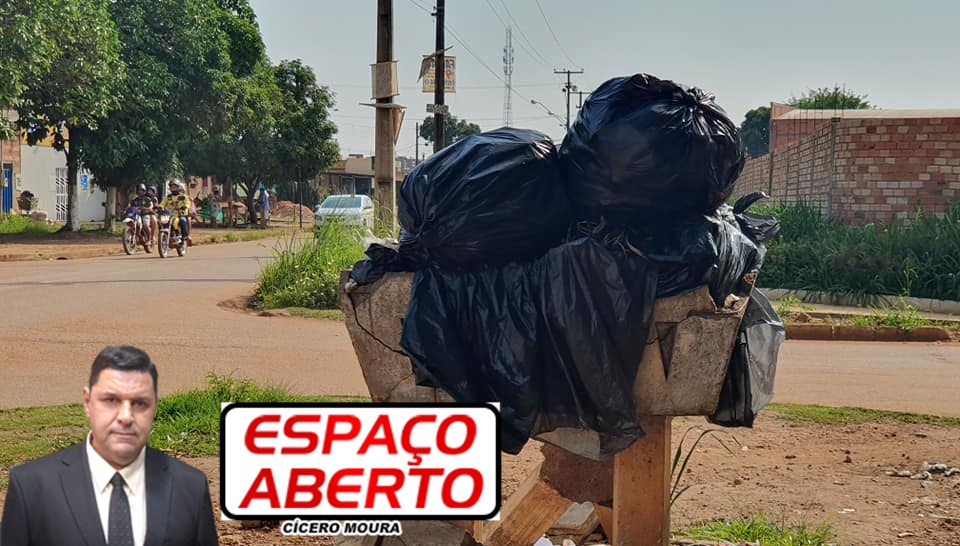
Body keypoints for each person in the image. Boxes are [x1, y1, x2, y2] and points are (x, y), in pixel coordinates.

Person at [1, 345, 218, 546]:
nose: (126, 416)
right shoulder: (31, 487)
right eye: (111, 400)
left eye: (140, 403)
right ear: (87, 402)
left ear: (154, 406)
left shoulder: (191, 487)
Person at [158, 179, 192, 245]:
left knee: (182, 220)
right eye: (171, 186)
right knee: (161, 221)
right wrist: (160, 207)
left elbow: (187, 203)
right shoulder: (168, 197)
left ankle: (184, 237)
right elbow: (162, 204)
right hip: (169, 215)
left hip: (180, 214)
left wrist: (185, 206)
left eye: (174, 186)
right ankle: (166, 236)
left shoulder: (183, 196)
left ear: (178, 187)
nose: (173, 188)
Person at [128, 183, 157, 251]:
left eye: (142, 190)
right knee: (131, 222)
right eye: (138, 190)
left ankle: (149, 239)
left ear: (144, 191)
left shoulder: (147, 199)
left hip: (145, 214)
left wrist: (146, 209)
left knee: (145, 224)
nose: (140, 192)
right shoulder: (134, 200)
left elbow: (151, 206)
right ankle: (137, 236)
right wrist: (126, 210)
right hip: (136, 215)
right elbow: (130, 206)